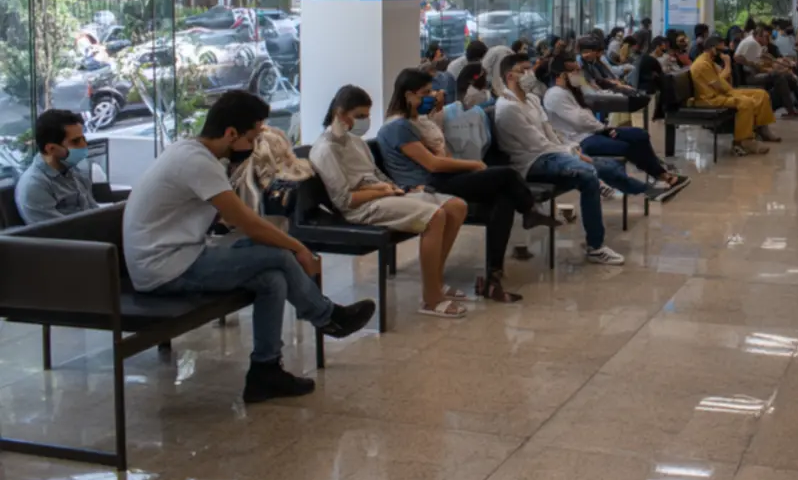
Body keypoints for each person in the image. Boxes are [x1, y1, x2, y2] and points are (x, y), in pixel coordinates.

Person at [124, 91, 375, 403]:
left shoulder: (192, 153)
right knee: (279, 256)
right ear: (231, 134)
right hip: (165, 269)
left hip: (178, 256)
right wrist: (300, 249)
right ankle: (328, 318)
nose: (257, 145)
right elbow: (249, 223)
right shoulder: (197, 162)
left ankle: (265, 370)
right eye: (254, 137)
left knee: (272, 279)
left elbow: (220, 215)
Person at [376, 69, 560, 302]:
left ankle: (493, 277)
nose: (432, 96)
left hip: (439, 180)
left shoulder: (418, 122)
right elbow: (432, 164)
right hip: (427, 185)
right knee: (507, 175)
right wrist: (473, 165)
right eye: (426, 93)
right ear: (408, 95)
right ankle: (529, 209)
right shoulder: (397, 127)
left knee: (503, 199)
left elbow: (442, 155)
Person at [311, 86, 472, 318]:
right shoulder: (325, 150)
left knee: (456, 207)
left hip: (383, 194)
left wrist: (399, 188)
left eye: (367, 115)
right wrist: (382, 191)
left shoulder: (355, 142)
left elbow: (375, 174)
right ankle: (431, 297)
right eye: (359, 116)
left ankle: (436, 280)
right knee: (435, 217)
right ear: (340, 113)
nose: (365, 121)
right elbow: (346, 200)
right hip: (361, 208)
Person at [495, 54, 650, 266]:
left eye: (530, 69)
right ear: (509, 76)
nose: (530, 74)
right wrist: (571, 153)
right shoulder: (507, 108)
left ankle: (638, 189)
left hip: (551, 153)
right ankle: (597, 244)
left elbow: (549, 133)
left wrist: (571, 151)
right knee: (588, 174)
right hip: (531, 163)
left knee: (607, 166)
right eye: (524, 70)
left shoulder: (531, 99)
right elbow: (535, 144)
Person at [543, 54, 689, 199]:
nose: (578, 73)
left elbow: (587, 105)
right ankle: (660, 179)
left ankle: (659, 174)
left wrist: (602, 126)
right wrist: (603, 129)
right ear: (562, 75)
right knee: (625, 146)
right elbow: (579, 119)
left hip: (593, 131)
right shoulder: (555, 95)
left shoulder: (572, 89)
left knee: (640, 135)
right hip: (580, 140)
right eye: (574, 71)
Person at [690, 35, 778, 155]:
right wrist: (727, 64)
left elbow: (722, 80)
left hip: (722, 92)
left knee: (761, 94)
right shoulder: (702, 64)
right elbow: (719, 84)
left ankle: (761, 128)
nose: (722, 53)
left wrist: (727, 74)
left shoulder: (709, 61)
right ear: (712, 49)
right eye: (720, 50)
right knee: (746, 102)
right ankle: (743, 140)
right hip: (710, 99)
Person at [16, 109, 98, 224]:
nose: (84, 145)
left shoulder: (73, 169)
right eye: (76, 141)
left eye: (83, 139)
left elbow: (94, 211)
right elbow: (57, 233)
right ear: (51, 149)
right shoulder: (35, 186)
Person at [735, 26, 798, 115]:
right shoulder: (752, 43)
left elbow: (765, 55)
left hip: (756, 71)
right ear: (759, 37)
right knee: (779, 76)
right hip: (751, 76)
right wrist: (752, 64)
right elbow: (740, 59)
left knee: (788, 76)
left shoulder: (754, 42)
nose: (767, 39)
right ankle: (791, 109)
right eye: (765, 37)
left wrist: (782, 63)